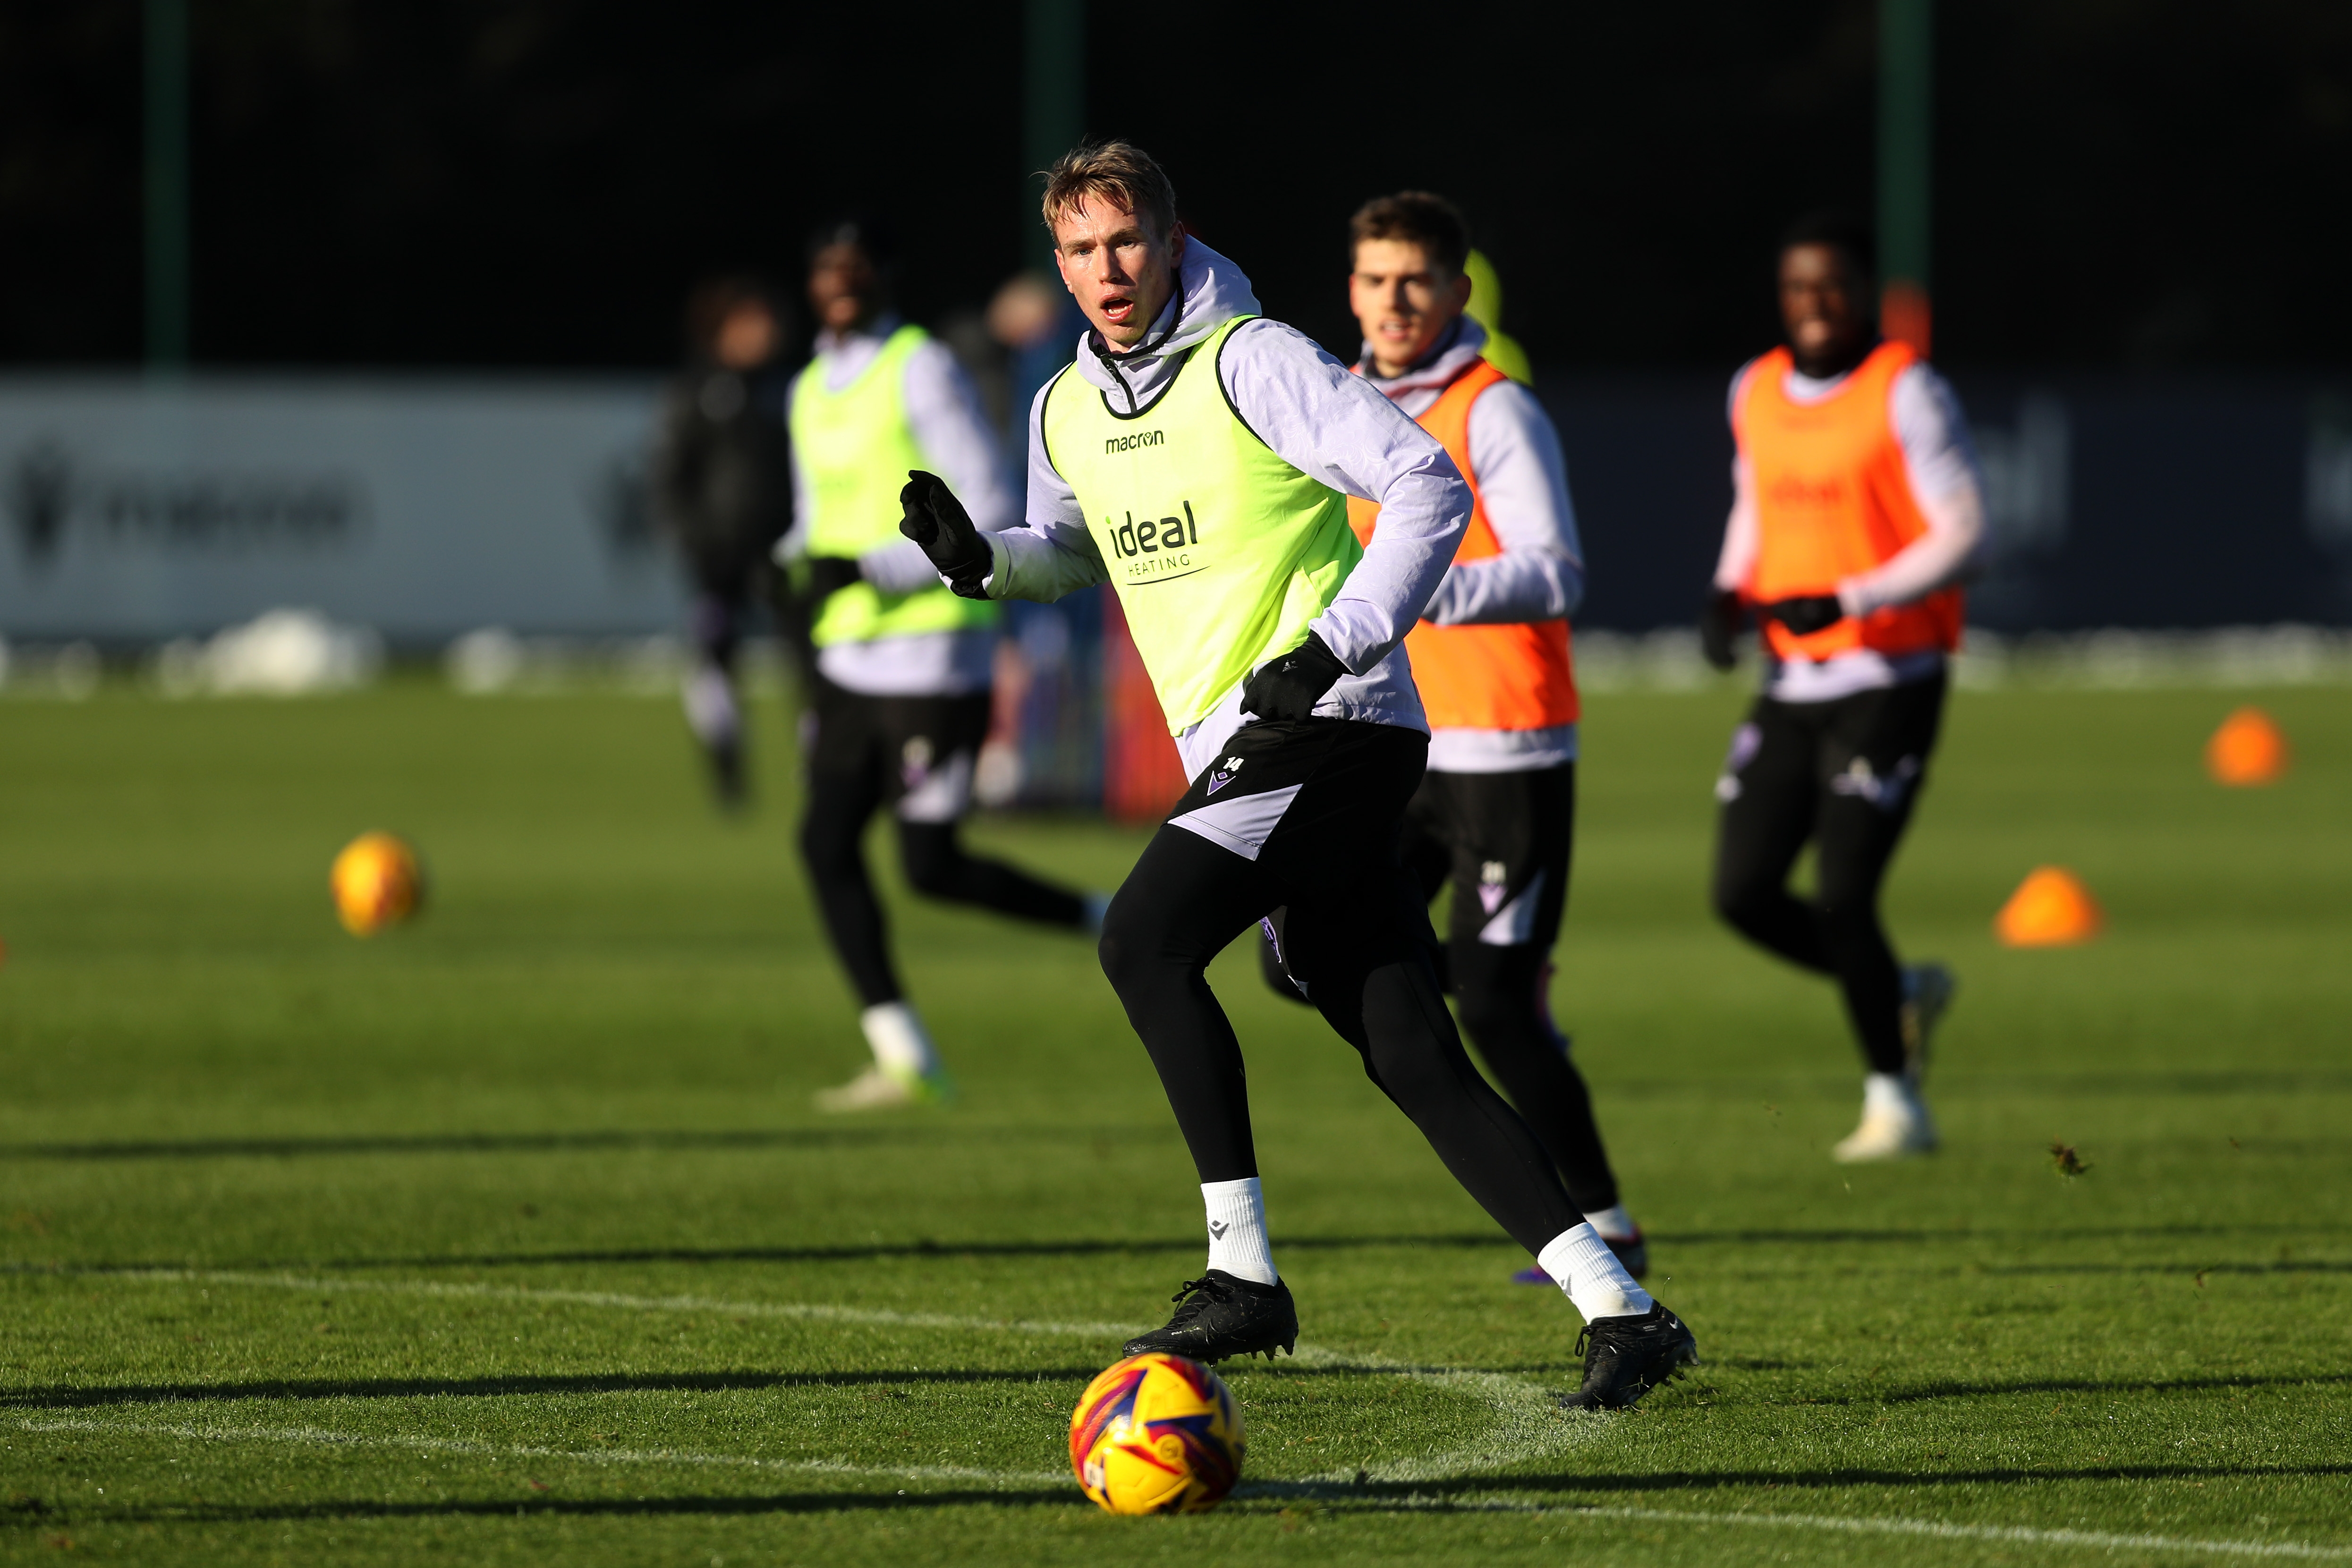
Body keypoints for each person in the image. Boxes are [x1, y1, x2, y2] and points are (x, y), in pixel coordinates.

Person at [897, 141, 1697, 1411]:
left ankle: (1243, 1273)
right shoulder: (1061, 408)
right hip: (1252, 748)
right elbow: (1067, 550)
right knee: (1405, 1046)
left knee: (1141, 942)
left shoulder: (1253, 359)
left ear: (1170, 242)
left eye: (1123, 243)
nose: (1103, 271)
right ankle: (1621, 1305)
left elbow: (1423, 484)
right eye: (1078, 250)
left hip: (1333, 722)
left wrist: (1340, 638)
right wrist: (980, 562)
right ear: (1056, 264)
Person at [1257, 190, 1645, 1285]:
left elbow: (1555, 569)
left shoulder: (1493, 408)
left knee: (1494, 1008)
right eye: (1375, 279)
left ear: (1456, 291)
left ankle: (1606, 1219)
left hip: (1506, 750)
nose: (1393, 300)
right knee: (1293, 957)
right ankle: (1484, 973)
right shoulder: (1330, 404)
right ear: (1350, 289)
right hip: (1391, 740)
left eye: (1415, 279)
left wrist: (1418, 591)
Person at [779, 217, 1102, 1113]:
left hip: (931, 662)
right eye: (825, 267)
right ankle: (902, 1050)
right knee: (823, 842)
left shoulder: (917, 365)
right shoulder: (808, 384)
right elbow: (816, 515)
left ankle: (1106, 920)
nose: (840, 281)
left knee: (930, 867)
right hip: (849, 662)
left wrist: (867, 567)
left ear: (885, 275)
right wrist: (788, 564)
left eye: (857, 266)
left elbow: (986, 503)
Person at [1699, 212, 1981, 1162]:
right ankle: (1896, 990)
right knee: (1741, 892)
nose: (1814, 305)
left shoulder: (1907, 391)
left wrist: (1853, 595)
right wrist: (1730, 589)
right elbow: (1756, 496)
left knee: (1847, 890)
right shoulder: (1757, 386)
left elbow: (1963, 532)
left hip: (1891, 674)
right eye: (1797, 287)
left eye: (1831, 286)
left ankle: (1895, 1102)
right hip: (1793, 677)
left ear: (1864, 292)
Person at [650, 275, 794, 806]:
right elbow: (671, 477)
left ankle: (825, 768)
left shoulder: (787, 388)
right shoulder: (697, 392)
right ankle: (727, 770)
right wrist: (694, 541)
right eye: (752, 322)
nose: (766, 332)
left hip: (782, 553)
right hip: (718, 559)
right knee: (714, 664)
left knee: (809, 659)